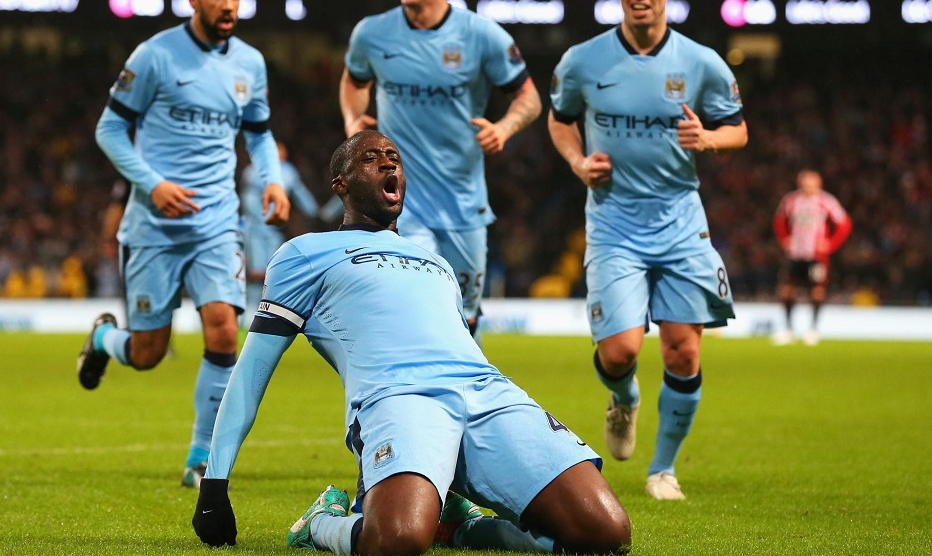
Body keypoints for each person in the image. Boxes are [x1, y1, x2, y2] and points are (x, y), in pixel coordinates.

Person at [192, 131, 631, 555]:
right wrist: (214, 484)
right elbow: (251, 374)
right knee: (397, 540)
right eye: (370, 157)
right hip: (399, 398)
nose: (388, 161)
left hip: (487, 392)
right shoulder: (302, 254)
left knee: (605, 532)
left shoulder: (436, 262)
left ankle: (460, 528)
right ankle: (322, 522)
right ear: (340, 185)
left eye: (394, 158)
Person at [77, 0, 290, 489]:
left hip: (217, 221)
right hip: (154, 226)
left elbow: (258, 133)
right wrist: (153, 185)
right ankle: (105, 339)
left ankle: (199, 460)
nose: (229, 4)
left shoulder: (250, 64)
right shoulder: (154, 55)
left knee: (223, 329)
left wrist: (273, 180)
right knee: (149, 354)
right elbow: (109, 128)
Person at [547, 0, 749, 500]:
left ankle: (662, 470)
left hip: (681, 224)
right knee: (619, 352)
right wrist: (576, 161)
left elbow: (738, 130)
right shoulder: (583, 60)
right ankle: (624, 398)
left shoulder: (701, 62)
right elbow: (560, 118)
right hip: (614, 224)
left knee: (683, 352)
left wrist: (707, 138)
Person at [339, 0, 543, 342]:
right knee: (417, 304)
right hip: (402, 202)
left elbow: (529, 98)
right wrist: (353, 120)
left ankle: (466, 395)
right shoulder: (373, 33)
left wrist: (504, 128)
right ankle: (412, 395)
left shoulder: (481, 35)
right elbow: (354, 82)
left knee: (464, 316)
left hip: (463, 202)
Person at [240, 141, 342, 326]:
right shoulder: (254, 170)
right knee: (256, 271)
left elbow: (299, 192)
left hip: (274, 229)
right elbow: (248, 198)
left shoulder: (287, 171)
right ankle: (249, 311)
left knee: (271, 271)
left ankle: (268, 310)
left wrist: (315, 212)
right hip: (255, 228)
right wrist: (260, 220)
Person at [771, 169, 853, 346]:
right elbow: (779, 220)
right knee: (787, 289)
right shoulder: (791, 200)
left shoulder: (827, 201)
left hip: (816, 255)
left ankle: (813, 329)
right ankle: (788, 329)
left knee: (816, 290)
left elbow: (844, 224)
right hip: (794, 253)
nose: (807, 187)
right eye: (805, 183)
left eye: (811, 183)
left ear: (819, 184)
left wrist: (830, 244)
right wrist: (785, 239)